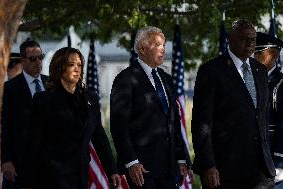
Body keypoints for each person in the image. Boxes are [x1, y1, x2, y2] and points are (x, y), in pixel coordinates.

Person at [191, 19, 275, 189]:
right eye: (244, 39)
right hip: (225, 171)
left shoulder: (260, 71)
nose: (250, 44)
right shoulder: (211, 71)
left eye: (253, 39)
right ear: (230, 39)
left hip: (261, 171)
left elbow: (262, 117)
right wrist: (208, 165)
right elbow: (202, 123)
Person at [27, 47, 120, 189]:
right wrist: (28, 181)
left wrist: (112, 170)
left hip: (80, 176)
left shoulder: (91, 98)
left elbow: (99, 138)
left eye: (79, 65)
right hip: (51, 177)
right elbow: (34, 142)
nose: (77, 69)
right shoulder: (43, 100)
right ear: (60, 68)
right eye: (71, 64)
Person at [110, 26, 191, 189]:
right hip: (141, 171)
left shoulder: (167, 79)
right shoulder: (125, 79)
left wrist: (181, 158)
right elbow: (119, 127)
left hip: (168, 169)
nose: (162, 49)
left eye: (163, 45)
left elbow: (174, 123)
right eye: (157, 45)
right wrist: (131, 161)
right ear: (142, 48)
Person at [1, 39, 48, 189]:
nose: (38, 62)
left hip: (49, 164)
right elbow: (5, 127)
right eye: (33, 59)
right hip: (19, 163)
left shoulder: (52, 84)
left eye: (41, 57)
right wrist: (6, 160)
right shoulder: (10, 89)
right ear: (23, 60)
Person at [254, 32, 283, 188]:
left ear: (274, 54)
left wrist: (280, 162)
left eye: (259, 52)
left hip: (273, 162)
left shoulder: (280, 85)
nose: (255, 57)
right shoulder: (250, 81)